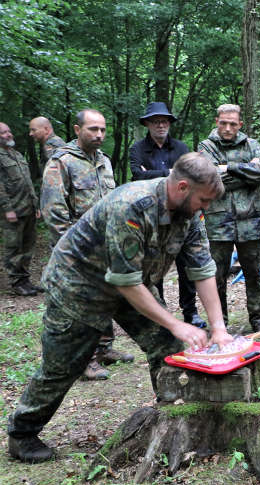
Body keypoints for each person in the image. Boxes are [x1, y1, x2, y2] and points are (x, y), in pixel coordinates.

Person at [7, 153, 231, 464]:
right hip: (80, 284)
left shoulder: (189, 214)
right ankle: (22, 433)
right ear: (182, 187)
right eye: (204, 200)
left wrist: (217, 326)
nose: (205, 207)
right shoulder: (131, 205)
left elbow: (203, 269)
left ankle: (172, 419)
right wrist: (177, 323)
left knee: (167, 347)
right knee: (64, 366)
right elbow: (126, 283)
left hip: (133, 282)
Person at [42, 109, 133, 381]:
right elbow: (53, 211)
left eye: (103, 130)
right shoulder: (62, 162)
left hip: (105, 244)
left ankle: (104, 348)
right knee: (82, 305)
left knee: (106, 297)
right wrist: (72, 250)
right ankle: (85, 359)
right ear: (76, 129)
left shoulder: (104, 160)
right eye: (93, 129)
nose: (99, 135)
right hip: (76, 251)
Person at [128, 102, 205, 329]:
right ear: (148, 124)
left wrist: (153, 174)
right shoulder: (137, 149)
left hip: (181, 214)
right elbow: (137, 176)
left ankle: (190, 312)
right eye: (155, 121)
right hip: (151, 215)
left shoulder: (181, 148)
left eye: (164, 121)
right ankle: (158, 313)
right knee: (154, 266)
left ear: (169, 123)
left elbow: (191, 176)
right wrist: (170, 173)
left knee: (186, 264)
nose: (161, 125)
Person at [198, 104, 260, 332]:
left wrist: (227, 167)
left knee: (253, 272)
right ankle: (220, 322)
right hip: (219, 222)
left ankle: (258, 317)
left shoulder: (252, 145)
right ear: (217, 121)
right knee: (217, 275)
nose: (227, 128)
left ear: (240, 124)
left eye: (232, 124)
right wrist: (245, 173)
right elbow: (209, 180)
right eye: (223, 123)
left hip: (250, 221)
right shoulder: (206, 147)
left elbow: (259, 174)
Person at [0, 122, 41, 296]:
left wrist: (36, 205)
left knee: (28, 246)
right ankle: (16, 282)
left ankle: (25, 280)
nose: (9, 135)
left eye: (9, 131)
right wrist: (7, 209)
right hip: (13, 210)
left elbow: (28, 183)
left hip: (28, 208)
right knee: (13, 247)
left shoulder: (16, 154)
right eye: (3, 133)